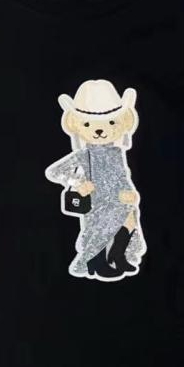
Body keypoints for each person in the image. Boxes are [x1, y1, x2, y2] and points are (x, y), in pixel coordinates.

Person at [44, 79, 145, 281]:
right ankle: (96, 261)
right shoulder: (84, 155)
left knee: (129, 221)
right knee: (101, 229)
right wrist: (78, 183)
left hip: (119, 197)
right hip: (99, 201)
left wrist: (129, 192)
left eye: (111, 122)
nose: (100, 130)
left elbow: (121, 175)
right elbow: (56, 172)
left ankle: (118, 255)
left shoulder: (116, 152)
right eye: (88, 124)